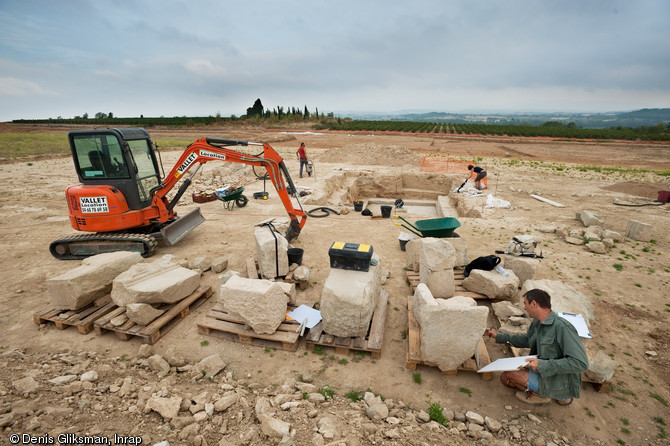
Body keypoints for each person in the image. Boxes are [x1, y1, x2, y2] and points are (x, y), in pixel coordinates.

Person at [484, 289, 589, 406]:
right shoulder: (537, 322)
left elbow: (581, 363)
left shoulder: (563, 328)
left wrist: (542, 365)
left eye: (525, 303)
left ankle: (548, 396)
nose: (524, 308)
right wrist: (498, 336)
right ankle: (544, 390)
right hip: (544, 371)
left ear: (534, 304)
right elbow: (527, 340)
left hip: (558, 379)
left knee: (510, 375)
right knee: (505, 379)